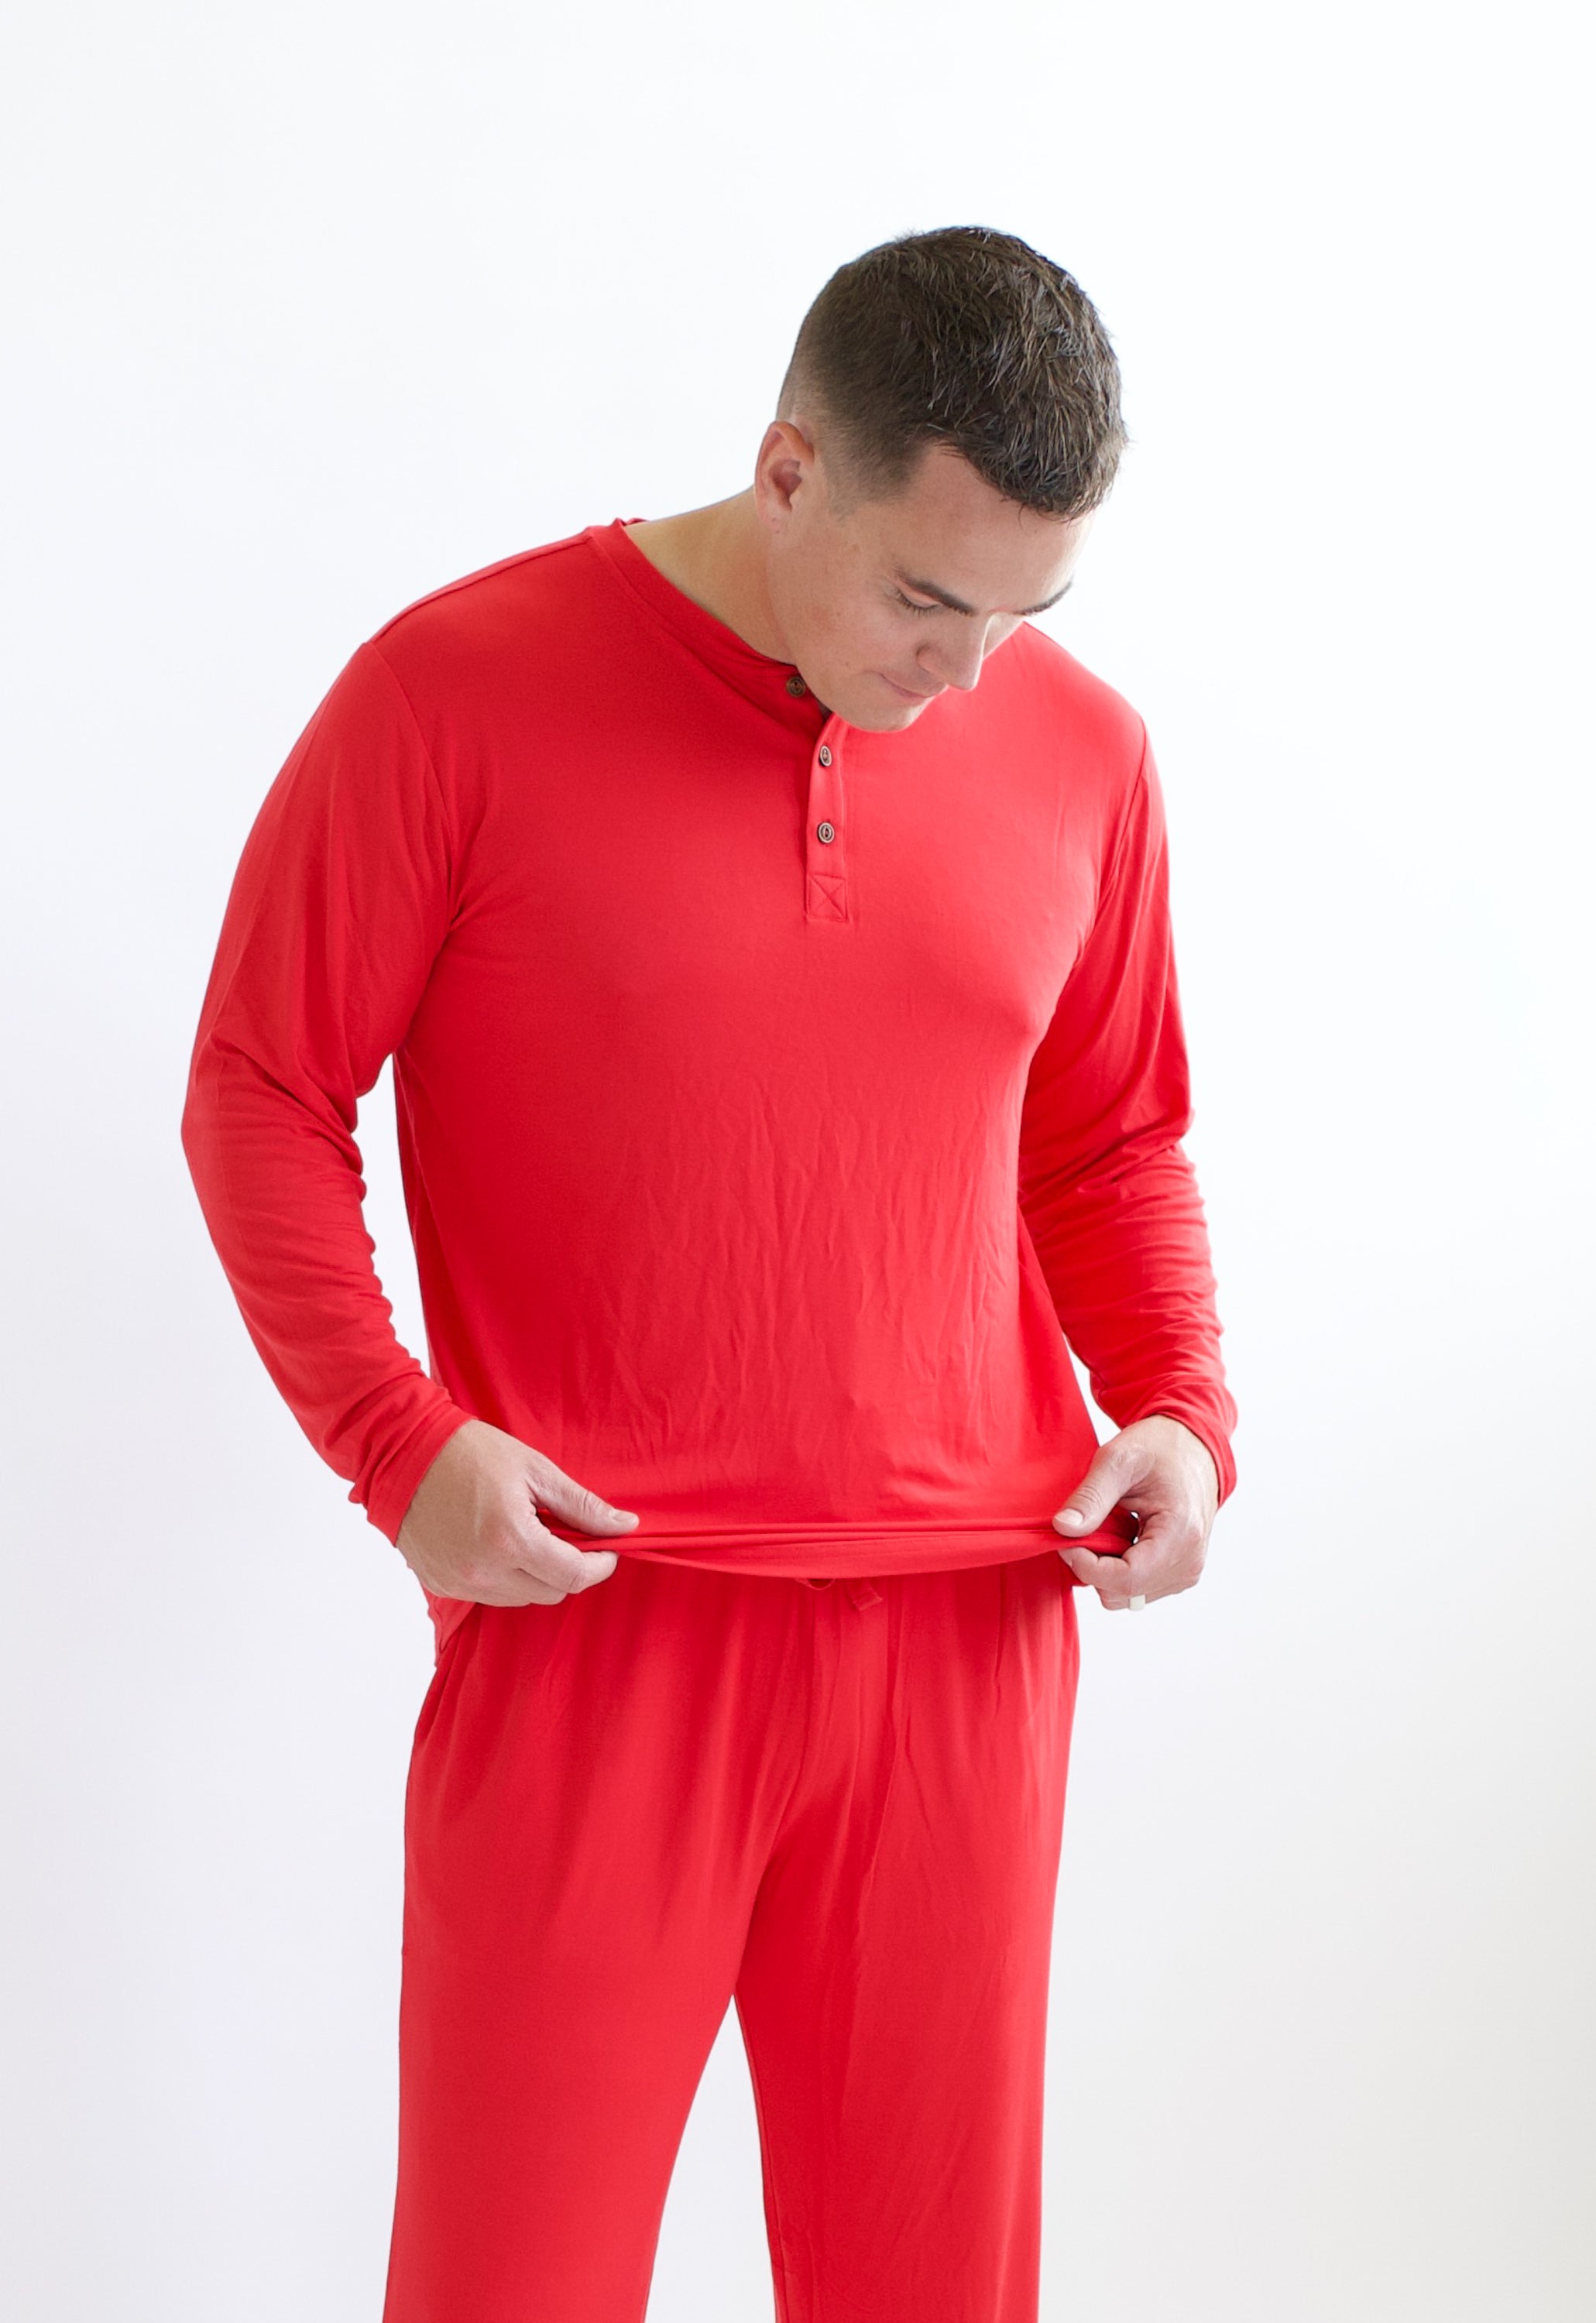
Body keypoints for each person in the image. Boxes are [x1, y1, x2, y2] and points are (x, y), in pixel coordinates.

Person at [181, 223, 1238, 2323]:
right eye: (925, 597)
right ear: (786, 471)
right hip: (601, 1624)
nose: (962, 673)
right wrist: (397, 1447)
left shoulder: (1084, 756)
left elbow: (1111, 1141)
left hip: (968, 1638)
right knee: (513, 2283)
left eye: (1025, 614)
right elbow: (260, 1088)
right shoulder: (455, 694)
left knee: (929, 2288)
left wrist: (1182, 1410)